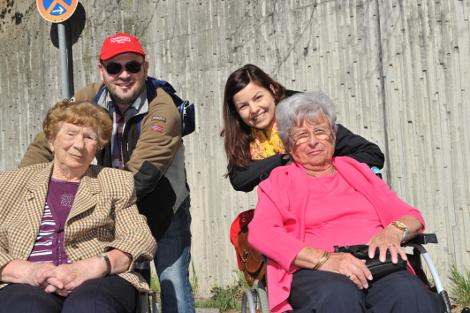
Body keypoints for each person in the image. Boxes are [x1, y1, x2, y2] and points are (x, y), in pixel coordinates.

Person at [18, 33, 194, 313]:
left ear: (145, 68)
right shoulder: (88, 98)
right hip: (114, 210)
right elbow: (48, 142)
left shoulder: (163, 109)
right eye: (114, 68)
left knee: (173, 288)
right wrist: (24, 190)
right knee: (127, 286)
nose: (124, 74)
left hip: (163, 210)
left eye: (132, 66)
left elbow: (143, 175)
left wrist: (91, 206)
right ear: (102, 71)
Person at [247, 92, 440, 313]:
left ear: (333, 136)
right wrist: (324, 259)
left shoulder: (359, 171)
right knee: (338, 296)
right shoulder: (279, 181)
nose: (312, 141)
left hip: (379, 266)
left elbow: (411, 216)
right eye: (301, 135)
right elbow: (262, 232)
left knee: (410, 292)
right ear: (289, 144)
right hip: (317, 274)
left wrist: (393, 232)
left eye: (320, 131)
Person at [0, 100, 156, 313]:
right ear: (52, 139)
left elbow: (139, 237)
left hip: (99, 280)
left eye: (89, 137)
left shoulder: (115, 181)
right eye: (71, 134)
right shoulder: (10, 183)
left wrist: (94, 266)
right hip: (24, 283)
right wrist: (25, 271)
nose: (80, 144)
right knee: (27, 307)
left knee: (89, 307)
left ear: (98, 146)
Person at [221, 64, 385, 192]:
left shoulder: (303, 118)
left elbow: (373, 154)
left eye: (258, 98)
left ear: (272, 90)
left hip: (333, 196)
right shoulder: (248, 134)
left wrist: (325, 167)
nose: (254, 109)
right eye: (243, 106)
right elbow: (240, 180)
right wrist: (282, 160)